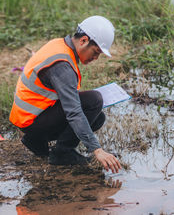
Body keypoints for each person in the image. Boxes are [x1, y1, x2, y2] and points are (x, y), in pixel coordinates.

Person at [9, 15, 122, 173]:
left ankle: (35, 140)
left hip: (29, 117)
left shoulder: (58, 44)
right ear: (83, 40)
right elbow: (74, 112)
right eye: (96, 52)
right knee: (94, 101)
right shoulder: (62, 65)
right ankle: (62, 153)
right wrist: (97, 150)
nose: (96, 58)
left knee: (98, 117)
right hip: (30, 121)